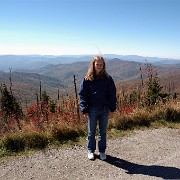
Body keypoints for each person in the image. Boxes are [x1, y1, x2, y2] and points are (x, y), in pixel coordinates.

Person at [79, 55, 116, 160]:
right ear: (93, 65)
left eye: (101, 64)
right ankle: (90, 150)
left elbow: (112, 94)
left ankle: (102, 151)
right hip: (92, 109)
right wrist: (84, 109)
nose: (99, 66)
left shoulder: (108, 79)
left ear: (103, 65)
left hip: (104, 109)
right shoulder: (88, 78)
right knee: (91, 132)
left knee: (103, 132)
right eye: (97, 64)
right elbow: (83, 95)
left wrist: (112, 109)